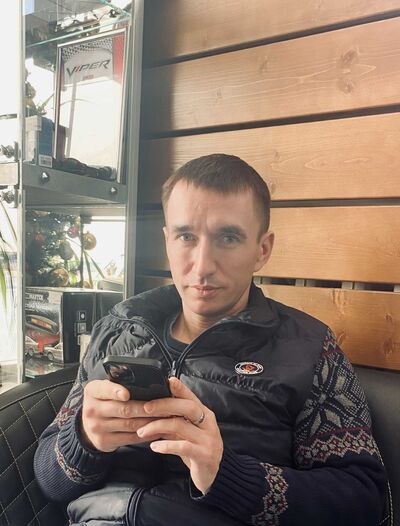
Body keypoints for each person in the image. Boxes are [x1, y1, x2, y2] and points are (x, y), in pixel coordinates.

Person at [34, 154, 388, 526]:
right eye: (186, 236)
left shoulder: (311, 349)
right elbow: (48, 481)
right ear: (167, 241)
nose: (202, 265)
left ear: (262, 250)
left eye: (228, 238)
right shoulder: (117, 329)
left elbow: (363, 502)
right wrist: (84, 440)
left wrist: (227, 474)